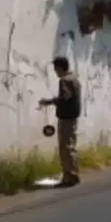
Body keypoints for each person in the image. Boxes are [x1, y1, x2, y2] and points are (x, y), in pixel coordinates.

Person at [39, 56, 82, 187]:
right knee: (71, 146)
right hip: (73, 117)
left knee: (65, 147)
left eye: (55, 69)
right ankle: (73, 174)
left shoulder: (64, 81)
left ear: (59, 68)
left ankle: (69, 177)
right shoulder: (74, 79)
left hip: (66, 118)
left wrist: (50, 101)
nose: (55, 72)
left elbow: (65, 98)